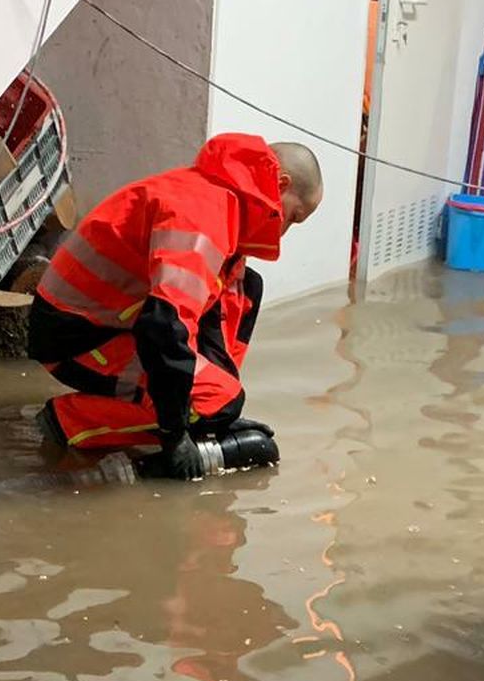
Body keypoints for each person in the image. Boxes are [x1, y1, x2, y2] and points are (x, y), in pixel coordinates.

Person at [30, 133, 323, 478]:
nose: (285, 230)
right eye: (294, 217)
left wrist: (219, 415)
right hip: (77, 337)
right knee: (217, 400)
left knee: (245, 290)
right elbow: (164, 327)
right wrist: (175, 433)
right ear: (281, 184)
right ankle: (74, 421)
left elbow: (196, 320)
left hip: (114, 321)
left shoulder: (222, 202)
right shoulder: (205, 214)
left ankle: (204, 409)